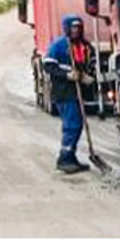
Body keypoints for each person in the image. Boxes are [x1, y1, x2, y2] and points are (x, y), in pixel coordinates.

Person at [43, 15, 94, 174]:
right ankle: (64, 158)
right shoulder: (59, 46)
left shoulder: (85, 46)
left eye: (79, 27)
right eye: (73, 27)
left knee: (77, 125)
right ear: (66, 28)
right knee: (72, 125)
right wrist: (67, 75)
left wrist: (87, 77)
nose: (76, 30)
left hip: (78, 93)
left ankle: (71, 157)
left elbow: (90, 64)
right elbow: (48, 66)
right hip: (64, 93)